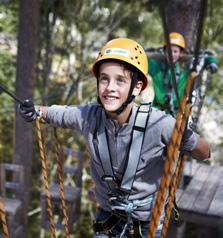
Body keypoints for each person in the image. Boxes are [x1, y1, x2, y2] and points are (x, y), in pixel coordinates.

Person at [19, 38, 210, 238]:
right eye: (104, 79)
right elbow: (57, 113)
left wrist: (186, 137)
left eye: (120, 80)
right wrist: (35, 111)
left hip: (146, 222)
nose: (110, 87)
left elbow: (205, 152)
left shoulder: (160, 124)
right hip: (109, 216)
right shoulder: (89, 117)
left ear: (137, 87)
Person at [148, 32, 218, 117]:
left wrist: (212, 62)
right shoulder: (156, 67)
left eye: (175, 51)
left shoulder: (185, 70)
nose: (171, 54)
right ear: (164, 51)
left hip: (176, 116)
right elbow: (143, 59)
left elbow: (205, 58)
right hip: (156, 111)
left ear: (181, 53)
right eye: (169, 51)